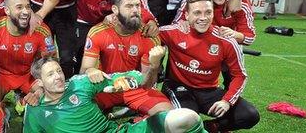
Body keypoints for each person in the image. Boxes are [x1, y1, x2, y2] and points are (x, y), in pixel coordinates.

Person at [160, 0, 260, 132]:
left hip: (209, 91)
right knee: (187, 119)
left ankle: (212, 127)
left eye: (208, 12)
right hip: (179, 88)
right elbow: (148, 37)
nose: (203, 18)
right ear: (186, 15)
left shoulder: (226, 40)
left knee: (250, 115)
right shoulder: (171, 32)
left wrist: (226, 101)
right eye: (197, 13)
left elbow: (239, 76)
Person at [24, 57, 207, 133]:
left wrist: (150, 67)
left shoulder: (79, 83)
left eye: (58, 71)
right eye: (50, 74)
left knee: (187, 117)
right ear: (39, 82)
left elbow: (138, 79)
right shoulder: (34, 111)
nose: (58, 77)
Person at [80, 0, 172, 115]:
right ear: (115, 10)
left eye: (137, 5)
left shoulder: (149, 38)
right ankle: (127, 112)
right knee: (79, 110)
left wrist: (155, 65)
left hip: (136, 89)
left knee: (168, 113)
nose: (135, 10)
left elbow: (147, 84)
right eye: (129, 6)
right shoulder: (98, 32)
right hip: (105, 87)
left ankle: (132, 115)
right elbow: (84, 70)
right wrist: (91, 71)